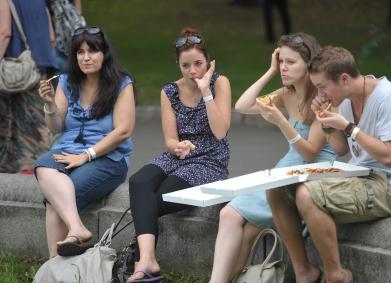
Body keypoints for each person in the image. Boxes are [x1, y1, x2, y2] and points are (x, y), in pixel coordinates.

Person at [267, 46, 391, 283]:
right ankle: (304, 271)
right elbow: (340, 149)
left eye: (323, 87)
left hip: (389, 187)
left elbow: (390, 156)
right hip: (358, 176)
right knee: (277, 189)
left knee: (307, 195)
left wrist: (348, 127)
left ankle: (335, 275)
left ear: (344, 79)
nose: (320, 93)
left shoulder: (389, 98)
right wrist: (326, 122)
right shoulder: (345, 99)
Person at [209, 32, 336, 283]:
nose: (283, 68)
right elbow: (243, 106)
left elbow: (310, 152)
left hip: (310, 173)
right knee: (229, 215)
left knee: (244, 232)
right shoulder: (286, 93)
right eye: (281, 61)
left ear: (309, 64)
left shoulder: (323, 98)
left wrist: (280, 120)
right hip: (285, 170)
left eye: (291, 62)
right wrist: (269, 71)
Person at [127, 27, 231, 282]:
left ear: (208, 61)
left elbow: (220, 132)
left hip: (210, 159)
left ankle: (143, 259)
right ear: (178, 65)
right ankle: (148, 259)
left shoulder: (219, 83)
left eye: (198, 64)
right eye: (186, 66)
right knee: (138, 182)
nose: (193, 71)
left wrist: (206, 91)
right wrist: (177, 147)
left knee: (161, 195)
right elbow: (170, 140)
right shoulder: (169, 91)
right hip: (179, 156)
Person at [34, 26, 135, 258]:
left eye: (93, 51)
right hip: (67, 150)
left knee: (54, 201)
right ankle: (76, 229)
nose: (86, 57)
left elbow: (123, 131)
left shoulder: (121, 84)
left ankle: (54, 267)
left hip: (109, 158)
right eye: (80, 52)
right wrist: (49, 104)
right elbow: (56, 128)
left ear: (105, 53)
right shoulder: (67, 81)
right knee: (42, 165)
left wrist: (86, 155)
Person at [0, 0, 56, 173]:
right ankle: (42, 171)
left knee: (13, 126)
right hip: (39, 68)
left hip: (16, 71)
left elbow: (4, 32)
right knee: (39, 125)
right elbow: (52, 37)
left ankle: (18, 176)